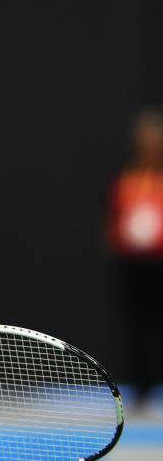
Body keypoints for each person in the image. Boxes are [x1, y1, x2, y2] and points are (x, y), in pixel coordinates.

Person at [105, 106, 163, 409]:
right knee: (137, 326)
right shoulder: (126, 177)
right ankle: (141, 390)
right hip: (134, 264)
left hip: (160, 261)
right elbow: (113, 217)